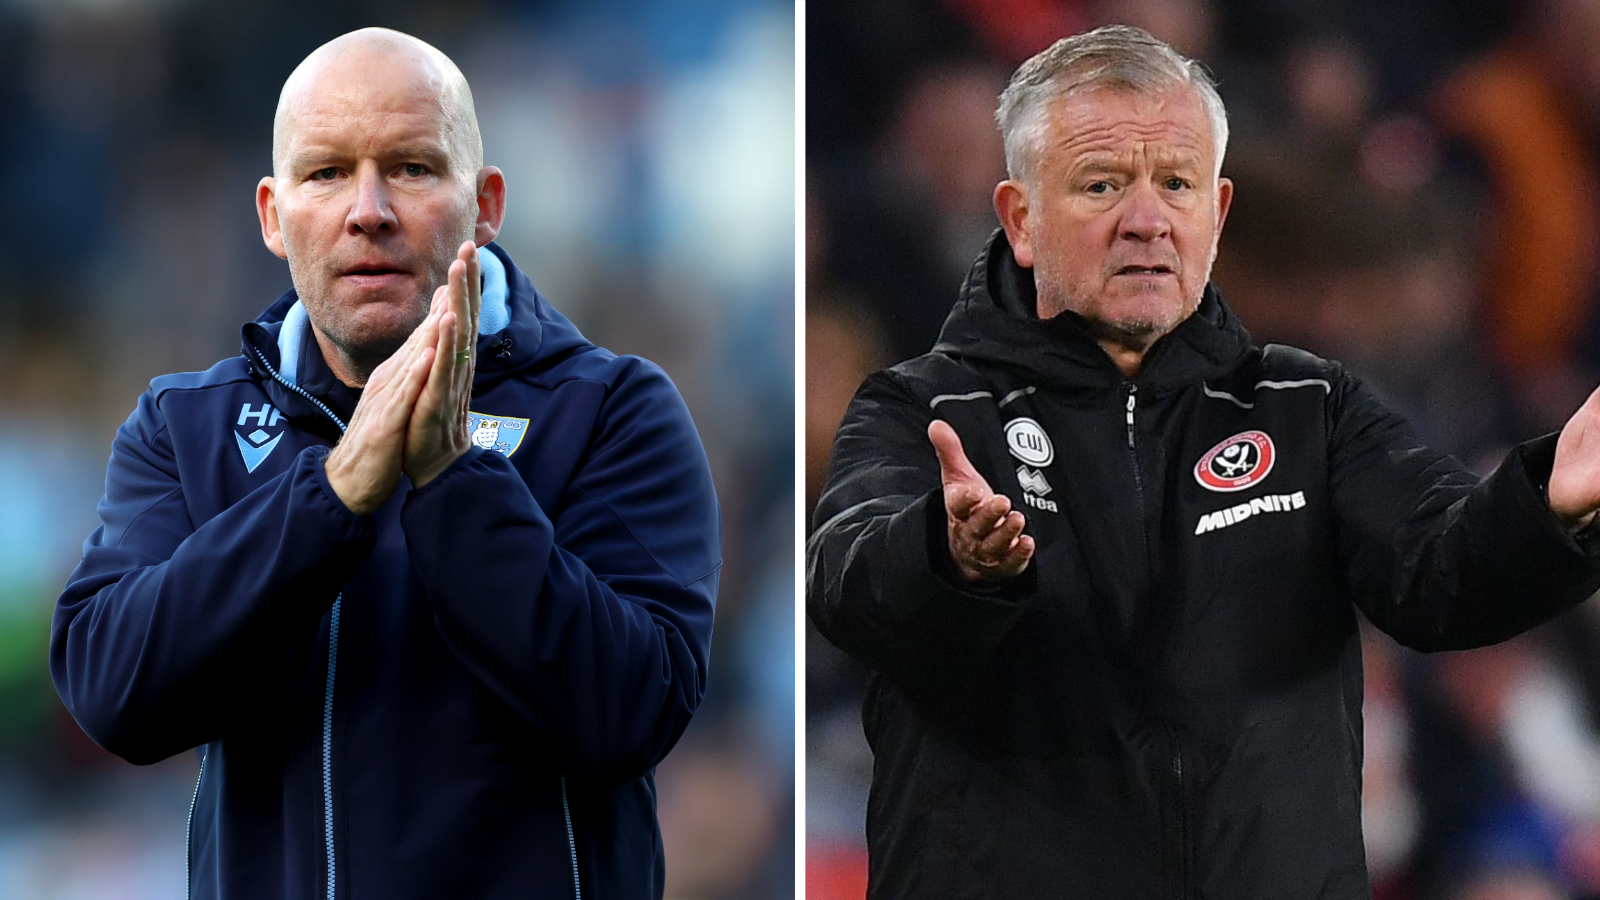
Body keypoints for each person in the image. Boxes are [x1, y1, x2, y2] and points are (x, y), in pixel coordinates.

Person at [806, 24, 1600, 899]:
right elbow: (848, 585)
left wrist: (1552, 503)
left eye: (1176, 184)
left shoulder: (1311, 408)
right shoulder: (923, 411)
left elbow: (1445, 568)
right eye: (1103, 184)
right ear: (1021, 218)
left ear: (1215, 215)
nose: (1146, 219)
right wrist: (949, 557)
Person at [50, 28, 720, 900]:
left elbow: (631, 714)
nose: (368, 210)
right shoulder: (184, 425)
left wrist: (453, 482)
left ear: (485, 204)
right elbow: (111, 693)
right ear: (272, 216)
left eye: (410, 168)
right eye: (326, 173)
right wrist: (327, 500)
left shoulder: (611, 409)